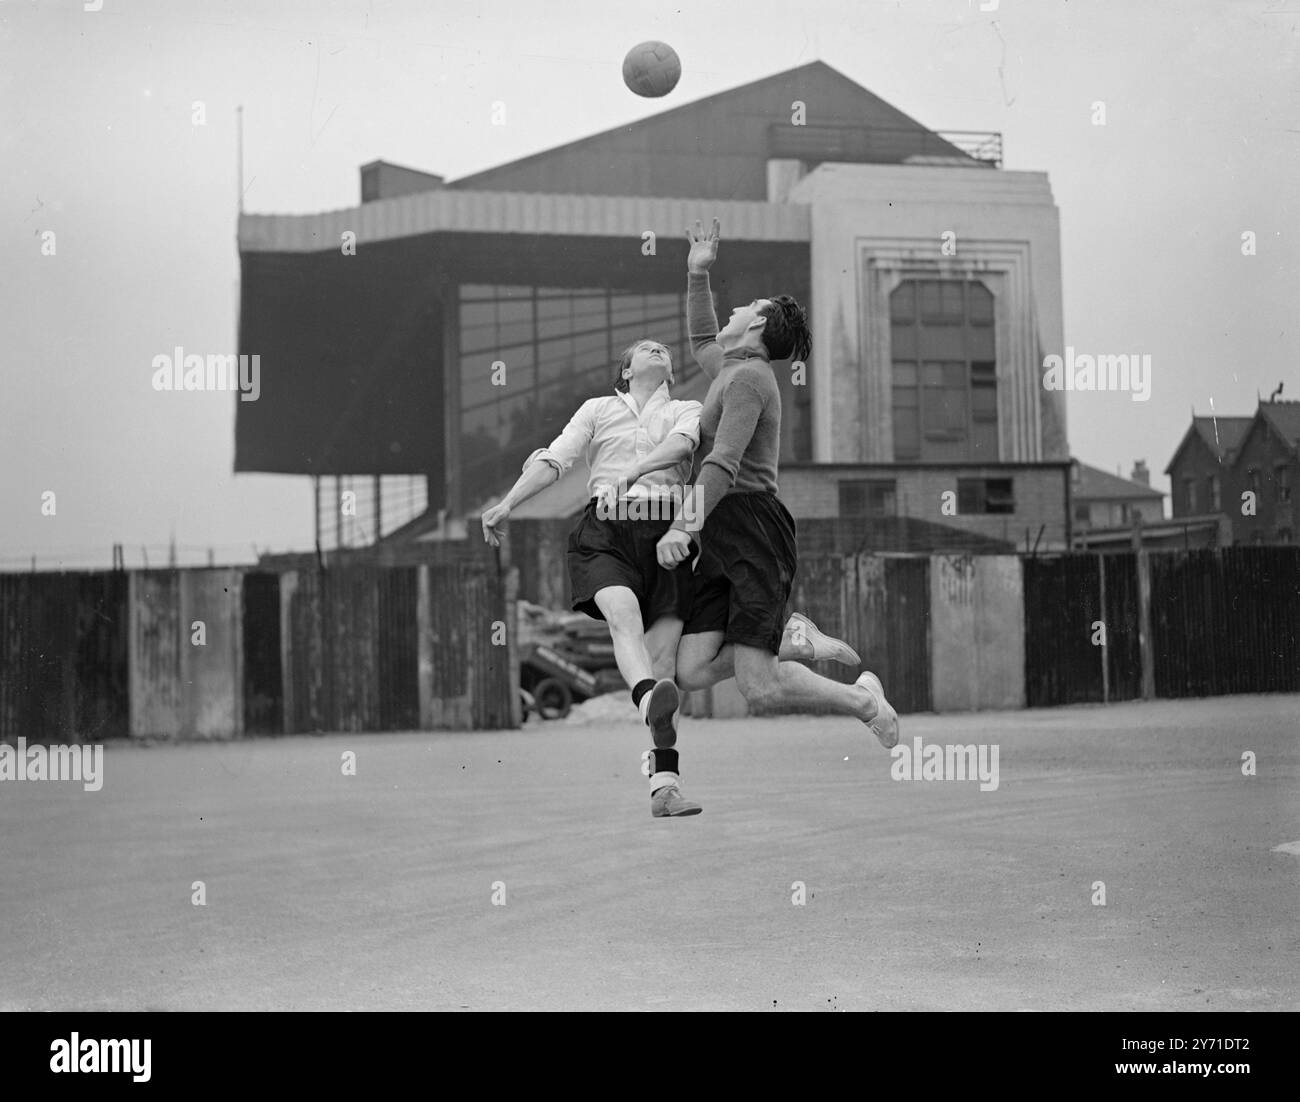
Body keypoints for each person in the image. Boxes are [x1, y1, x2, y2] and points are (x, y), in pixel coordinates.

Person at [656, 218, 900, 754]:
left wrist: (682, 526)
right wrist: (698, 273)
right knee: (692, 669)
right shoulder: (731, 366)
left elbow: (722, 463)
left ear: (758, 325)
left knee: (758, 686)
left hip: (750, 529)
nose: (736, 308)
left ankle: (864, 700)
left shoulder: (748, 380)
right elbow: (702, 337)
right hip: (723, 529)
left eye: (746, 305)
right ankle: (788, 640)